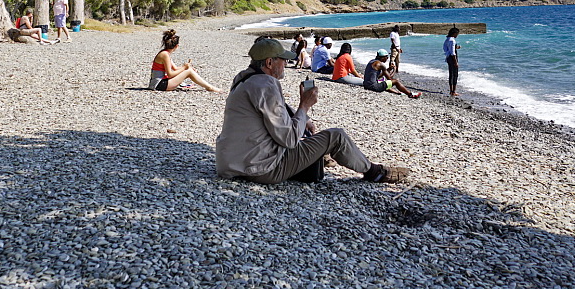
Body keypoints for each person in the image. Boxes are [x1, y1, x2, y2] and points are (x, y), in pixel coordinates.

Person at [215, 37, 409, 184]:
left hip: (229, 164)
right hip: (260, 169)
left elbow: (266, 112)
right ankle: (375, 172)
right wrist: (305, 106)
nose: (286, 64)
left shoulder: (243, 78)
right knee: (336, 136)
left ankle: (321, 156)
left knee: (304, 131)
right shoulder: (267, 84)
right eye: (283, 60)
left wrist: (301, 117)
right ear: (269, 63)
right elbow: (289, 140)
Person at [149, 29, 221, 92]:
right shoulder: (165, 55)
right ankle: (209, 87)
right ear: (176, 46)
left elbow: (175, 69)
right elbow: (170, 74)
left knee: (189, 70)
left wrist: (187, 68)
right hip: (159, 85)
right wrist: (185, 68)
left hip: (158, 83)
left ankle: (209, 87)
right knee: (189, 72)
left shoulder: (165, 53)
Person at [444, 27, 462, 96]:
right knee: (455, 74)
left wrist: (456, 47)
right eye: (457, 34)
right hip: (452, 58)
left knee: (451, 74)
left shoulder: (447, 39)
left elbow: (446, 48)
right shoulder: (452, 40)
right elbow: (453, 53)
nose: (457, 35)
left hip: (448, 57)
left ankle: (451, 91)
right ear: (454, 33)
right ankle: (453, 91)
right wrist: (455, 62)